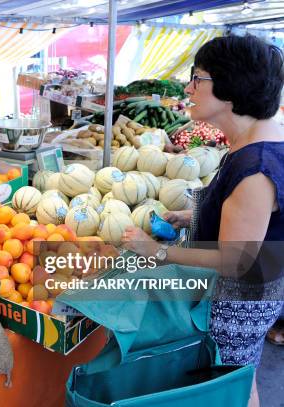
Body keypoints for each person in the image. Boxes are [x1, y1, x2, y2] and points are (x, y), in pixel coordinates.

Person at [121, 35, 284, 406]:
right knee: (240, 376)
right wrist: (190, 214)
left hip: (241, 302)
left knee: (229, 387)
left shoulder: (254, 166)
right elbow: (248, 216)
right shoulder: (258, 142)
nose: (188, 87)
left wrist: (156, 253)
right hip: (260, 293)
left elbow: (235, 260)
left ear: (230, 88)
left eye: (199, 78)